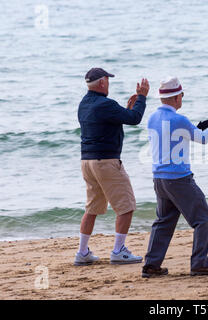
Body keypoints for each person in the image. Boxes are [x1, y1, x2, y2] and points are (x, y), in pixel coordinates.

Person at [142, 76, 208, 277]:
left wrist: (194, 129)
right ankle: (200, 263)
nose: (182, 98)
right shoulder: (179, 119)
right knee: (203, 218)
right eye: (181, 95)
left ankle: (151, 265)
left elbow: (169, 140)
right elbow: (204, 139)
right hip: (179, 179)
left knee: (163, 222)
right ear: (176, 98)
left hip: (159, 179)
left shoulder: (152, 117)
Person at [74, 67, 150, 266]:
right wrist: (142, 98)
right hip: (106, 162)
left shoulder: (83, 104)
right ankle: (118, 251)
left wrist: (126, 110)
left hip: (87, 162)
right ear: (102, 83)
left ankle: (82, 252)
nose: (109, 83)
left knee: (92, 208)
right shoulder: (105, 104)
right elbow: (135, 119)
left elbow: (112, 121)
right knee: (126, 206)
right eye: (108, 80)